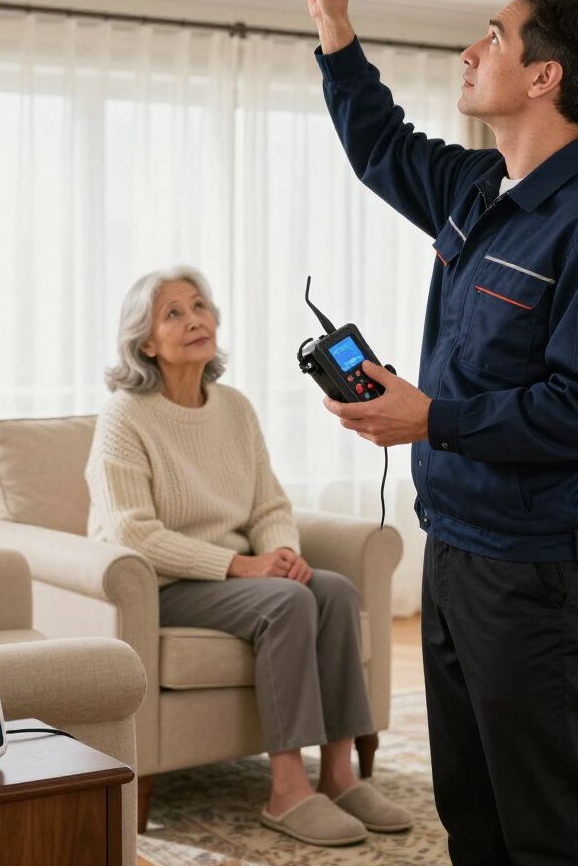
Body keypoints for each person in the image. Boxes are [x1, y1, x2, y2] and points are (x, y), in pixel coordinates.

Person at [302, 0, 578, 865]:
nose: (472, 53)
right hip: (458, 548)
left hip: (536, 572)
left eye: (495, 38)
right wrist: (334, 21)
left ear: (544, 77)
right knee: (473, 809)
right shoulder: (479, 185)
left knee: (547, 825)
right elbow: (377, 145)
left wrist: (434, 417)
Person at [85, 266, 412, 847]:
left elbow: (268, 503)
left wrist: (281, 550)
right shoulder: (124, 417)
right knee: (285, 603)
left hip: (240, 577)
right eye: (174, 313)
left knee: (333, 590)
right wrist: (242, 567)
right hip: (166, 583)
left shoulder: (233, 407)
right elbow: (134, 535)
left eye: (200, 306)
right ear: (145, 343)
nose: (195, 320)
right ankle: (287, 791)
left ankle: (338, 776)